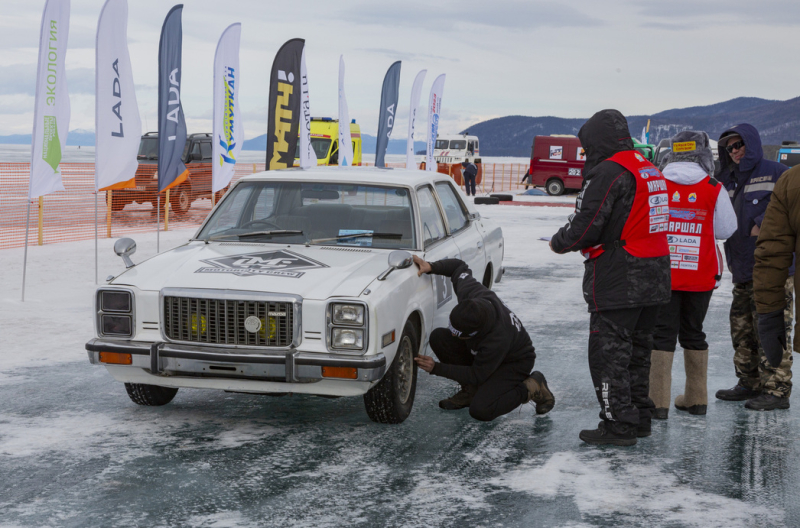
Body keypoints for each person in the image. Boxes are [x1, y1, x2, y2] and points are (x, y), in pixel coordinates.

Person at [550, 109, 671, 446]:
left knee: (609, 356)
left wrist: (559, 242)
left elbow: (586, 226)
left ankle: (618, 425)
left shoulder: (609, 172)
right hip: (657, 276)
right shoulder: (649, 169)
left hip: (621, 277)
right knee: (638, 353)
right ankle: (639, 417)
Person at [648, 131, 737, 420]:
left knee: (661, 334)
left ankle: (657, 402)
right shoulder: (714, 187)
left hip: (664, 273)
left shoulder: (657, 184)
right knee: (694, 332)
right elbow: (726, 229)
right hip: (701, 274)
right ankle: (696, 399)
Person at [411, 255, 555, 420]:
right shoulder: (472, 294)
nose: (452, 334)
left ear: (474, 334)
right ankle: (471, 391)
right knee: (439, 337)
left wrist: (436, 368)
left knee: (482, 409)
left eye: (458, 334)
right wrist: (430, 266)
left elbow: (477, 374)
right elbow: (458, 267)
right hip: (483, 351)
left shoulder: (497, 339)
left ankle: (533, 386)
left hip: (513, 362)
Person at [714, 124, 794, 411]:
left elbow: (790, 208)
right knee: (742, 327)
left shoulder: (777, 173)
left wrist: (762, 222)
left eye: (739, 145)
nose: (734, 151)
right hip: (742, 267)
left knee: (771, 328)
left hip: (773, 269)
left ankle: (776, 390)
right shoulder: (726, 178)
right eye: (729, 147)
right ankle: (749, 382)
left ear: (752, 143)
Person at [754, 163, 800, 408]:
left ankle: (777, 389)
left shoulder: (789, 179)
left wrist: (770, 314)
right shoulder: (792, 181)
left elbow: (772, 253)